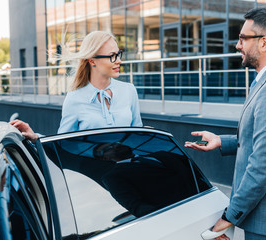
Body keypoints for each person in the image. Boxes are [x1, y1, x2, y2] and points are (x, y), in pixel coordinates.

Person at [185, 7, 266, 240]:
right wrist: (222, 141)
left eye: (243, 38)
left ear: (264, 43)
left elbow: (263, 165)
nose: (237, 45)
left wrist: (230, 216)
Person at [10, 31, 142, 141]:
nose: (119, 60)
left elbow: (138, 136)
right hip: (91, 171)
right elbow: (62, 144)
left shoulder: (129, 91)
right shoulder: (74, 99)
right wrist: (35, 137)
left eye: (118, 54)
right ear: (92, 60)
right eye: (112, 56)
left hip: (127, 170)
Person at [93, 142, 198, 217]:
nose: (116, 145)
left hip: (205, 199)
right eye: (109, 148)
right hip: (178, 214)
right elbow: (137, 207)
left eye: (115, 143)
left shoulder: (162, 154)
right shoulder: (113, 176)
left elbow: (194, 169)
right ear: (104, 158)